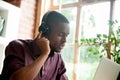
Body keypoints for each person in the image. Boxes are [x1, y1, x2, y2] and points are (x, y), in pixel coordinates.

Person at [0, 11, 70, 80]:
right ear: (45, 31)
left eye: (66, 36)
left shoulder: (57, 59)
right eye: (61, 34)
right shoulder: (17, 47)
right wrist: (44, 54)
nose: (65, 40)